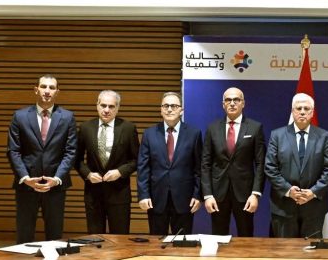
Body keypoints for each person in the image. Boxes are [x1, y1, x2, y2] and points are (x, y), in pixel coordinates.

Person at [7, 75, 77, 243]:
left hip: (55, 186)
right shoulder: (20, 116)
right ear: (36, 89)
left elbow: (71, 152)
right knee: (24, 235)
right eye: (43, 86)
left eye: (51, 87)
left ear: (57, 92)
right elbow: (13, 151)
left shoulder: (67, 117)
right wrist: (25, 178)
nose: (47, 91)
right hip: (27, 185)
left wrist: (57, 179)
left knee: (54, 236)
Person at [265, 93, 328, 238]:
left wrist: (313, 192)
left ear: (312, 112)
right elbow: (270, 168)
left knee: (311, 251)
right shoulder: (277, 135)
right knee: (285, 251)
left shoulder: (324, 137)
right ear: (292, 111)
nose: (302, 112)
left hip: (313, 208)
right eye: (298, 108)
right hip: (284, 207)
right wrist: (288, 190)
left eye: (306, 108)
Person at [201, 87, 265, 236]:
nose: (232, 103)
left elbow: (260, 163)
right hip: (218, 194)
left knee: (246, 237)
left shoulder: (255, 128)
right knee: (218, 238)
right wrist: (208, 195)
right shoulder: (212, 128)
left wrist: (255, 194)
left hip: (245, 194)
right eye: (228, 100)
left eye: (236, 99)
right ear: (223, 104)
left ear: (243, 103)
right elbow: (205, 164)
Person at [137, 92, 202, 235]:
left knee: (182, 243)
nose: (169, 109)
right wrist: (143, 195)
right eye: (165, 106)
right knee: (156, 243)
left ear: (181, 110)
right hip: (156, 199)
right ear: (161, 109)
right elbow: (143, 168)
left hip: (185, 200)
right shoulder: (149, 134)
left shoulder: (194, 134)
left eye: (174, 106)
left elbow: (198, 168)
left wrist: (197, 195)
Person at [75, 90, 139, 234]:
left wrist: (120, 172)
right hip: (93, 194)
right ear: (97, 105)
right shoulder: (86, 128)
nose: (106, 110)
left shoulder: (128, 128)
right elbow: (76, 159)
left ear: (117, 108)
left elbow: (137, 160)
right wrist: (88, 174)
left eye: (111, 106)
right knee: (95, 239)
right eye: (103, 105)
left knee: (120, 240)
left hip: (119, 194)